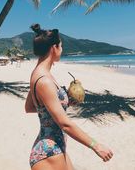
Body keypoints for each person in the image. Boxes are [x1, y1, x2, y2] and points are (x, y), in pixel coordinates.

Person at [25, 24, 113, 170]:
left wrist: (62, 104)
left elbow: (31, 107)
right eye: (61, 46)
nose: (62, 50)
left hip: (53, 148)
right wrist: (96, 146)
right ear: (54, 48)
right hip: (49, 152)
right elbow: (64, 123)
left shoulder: (38, 74)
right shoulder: (44, 80)